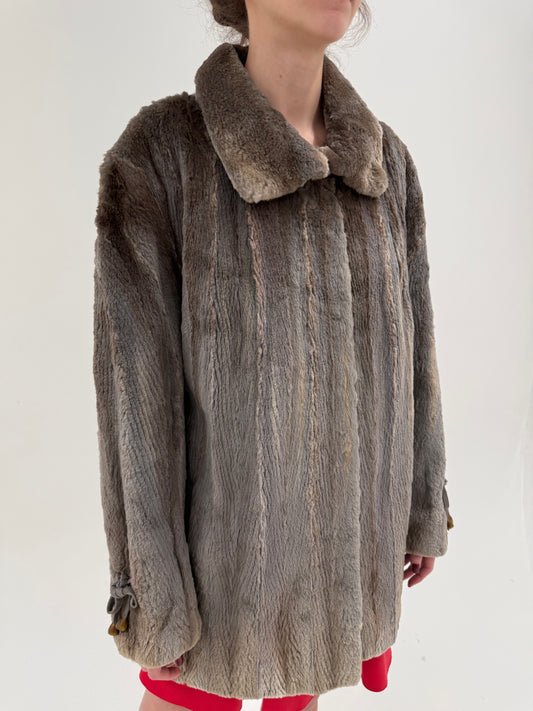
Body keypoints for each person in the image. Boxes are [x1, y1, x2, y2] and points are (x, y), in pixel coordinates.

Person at [92, 1, 454, 710]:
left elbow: (417, 352)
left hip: (346, 557)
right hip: (220, 571)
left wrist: (421, 501)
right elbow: (135, 399)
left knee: (302, 690)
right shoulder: (163, 157)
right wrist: (151, 587)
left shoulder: (384, 164)